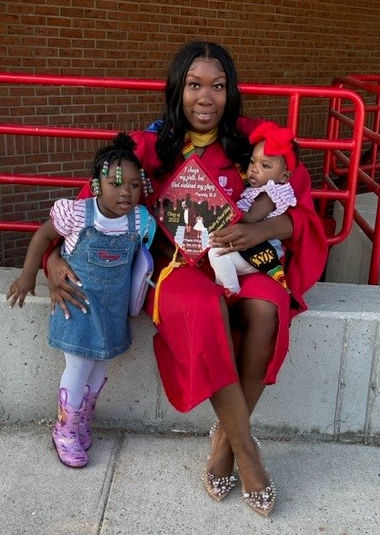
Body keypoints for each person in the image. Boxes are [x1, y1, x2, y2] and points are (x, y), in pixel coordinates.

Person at [44, 42, 328, 515]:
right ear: (178, 89)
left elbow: (296, 210)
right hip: (178, 268)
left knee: (268, 307)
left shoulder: (255, 143)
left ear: (229, 92)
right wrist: (54, 254)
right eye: (194, 85)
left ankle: (224, 448)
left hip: (243, 260)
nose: (205, 98)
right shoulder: (151, 144)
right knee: (200, 308)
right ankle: (249, 455)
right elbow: (89, 203)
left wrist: (256, 228)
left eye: (216, 86)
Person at [6, 133, 156, 468]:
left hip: (112, 312)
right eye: (115, 183)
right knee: (78, 367)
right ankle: (65, 428)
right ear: (95, 185)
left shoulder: (141, 221)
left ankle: (82, 419)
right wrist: (29, 274)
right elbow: (44, 235)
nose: (125, 192)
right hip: (76, 308)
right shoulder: (77, 215)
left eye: (134, 185)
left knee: (100, 369)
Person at [208, 120, 298, 296]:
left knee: (216, 253)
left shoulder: (269, 193)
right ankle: (224, 284)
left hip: (262, 250)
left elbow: (250, 218)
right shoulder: (257, 190)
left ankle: (232, 290)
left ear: (285, 176)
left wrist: (225, 208)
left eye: (265, 166)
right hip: (250, 246)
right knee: (218, 252)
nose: (254, 170)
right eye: (252, 162)